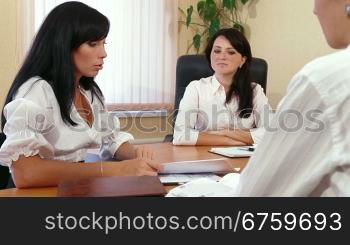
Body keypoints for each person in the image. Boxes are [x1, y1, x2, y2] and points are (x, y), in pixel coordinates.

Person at [0, 1, 160, 189]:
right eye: (93, 44)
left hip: (75, 187)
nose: (103, 53)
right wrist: (115, 170)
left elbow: (111, 139)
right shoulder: (36, 91)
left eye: (103, 43)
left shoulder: (89, 92)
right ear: (64, 45)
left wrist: (137, 155)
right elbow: (26, 173)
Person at [235, 0, 350, 196]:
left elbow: (255, 194)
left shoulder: (324, 81)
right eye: (217, 51)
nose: (314, 10)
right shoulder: (196, 87)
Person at [173, 28, 272, 146]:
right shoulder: (196, 88)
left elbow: (272, 131)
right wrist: (227, 141)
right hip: (205, 157)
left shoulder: (255, 90)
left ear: (242, 60)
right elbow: (180, 135)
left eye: (230, 52)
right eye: (217, 51)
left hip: (244, 157)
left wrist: (226, 133)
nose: (222, 57)